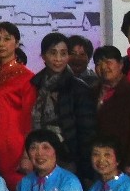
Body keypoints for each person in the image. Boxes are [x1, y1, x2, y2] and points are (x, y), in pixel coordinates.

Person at [29, 32, 96, 181]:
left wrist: (83, 162)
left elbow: (87, 131)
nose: (58, 59)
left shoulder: (78, 87)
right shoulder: (35, 84)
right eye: (53, 53)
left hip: (67, 156)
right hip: (39, 153)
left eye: (63, 53)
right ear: (43, 56)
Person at [92, 44, 130, 182]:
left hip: (124, 164)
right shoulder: (92, 92)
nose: (103, 67)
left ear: (121, 64)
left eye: (108, 62)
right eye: (98, 64)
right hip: (98, 163)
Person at [0, 22, 34, 190]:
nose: (1, 43)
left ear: (16, 43)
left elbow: (30, 118)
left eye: (7, 39)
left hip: (15, 144)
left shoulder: (26, 77)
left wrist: (27, 154)